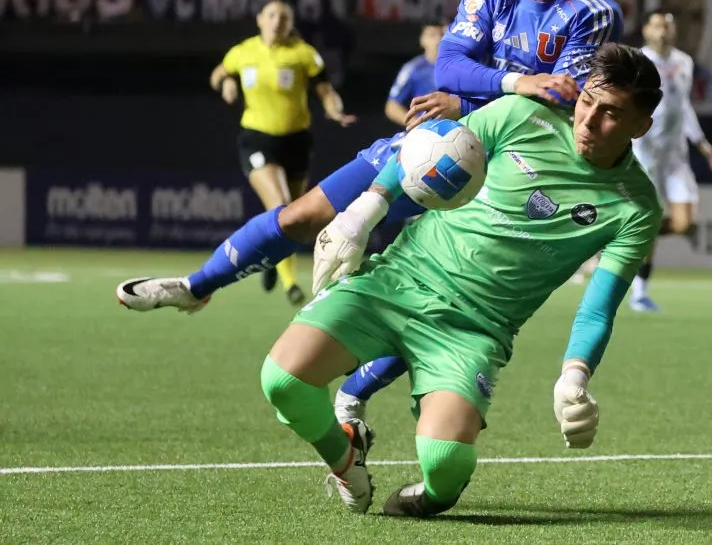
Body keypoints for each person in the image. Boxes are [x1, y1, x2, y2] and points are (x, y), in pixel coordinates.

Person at [116, 0, 623, 323]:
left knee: (441, 294)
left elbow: (554, 102)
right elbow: (448, 67)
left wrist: (471, 96)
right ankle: (196, 286)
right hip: (439, 146)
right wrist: (512, 81)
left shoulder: (591, 12)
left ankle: (357, 397)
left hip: (510, 168)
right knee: (300, 216)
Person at [263, 42, 663, 517]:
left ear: (642, 126)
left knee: (446, 464)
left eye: (612, 113)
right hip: (397, 280)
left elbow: (597, 306)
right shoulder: (518, 115)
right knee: (283, 379)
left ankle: (432, 497)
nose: (590, 121)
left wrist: (574, 378)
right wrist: (363, 214)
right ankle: (345, 458)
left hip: (475, 331)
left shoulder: (636, 207)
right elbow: (424, 151)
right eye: (588, 101)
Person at [210, 0, 354, 307]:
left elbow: (326, 92)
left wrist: (335, 110)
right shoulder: (243, 51)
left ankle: (270, 259)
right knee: (280, 205)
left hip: (296, 143)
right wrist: (226, 83)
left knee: (293, 219)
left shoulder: (302, 53)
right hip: (257, 139)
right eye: (272, 15)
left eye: (284, 17)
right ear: (260, 18)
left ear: (290, 23)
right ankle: (290, 283)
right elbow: (218, 72)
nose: (277, 21)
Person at [629, 10, 712, 312]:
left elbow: (684, 106)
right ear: (645, 30)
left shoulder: (684, 62)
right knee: (652, 218)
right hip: (645, 153)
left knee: (683, 223)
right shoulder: (636, 62)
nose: (663, 31)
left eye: (668, 25)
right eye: (657, 25)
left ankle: (628, 235)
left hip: (676, 154)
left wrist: (702, 142)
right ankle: (639, 293)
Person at [383, 22, 445, 127]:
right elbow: (392, 106)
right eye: (432, 35)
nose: (438, 40)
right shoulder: (412, 69)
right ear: (422, 40)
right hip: (427, 134)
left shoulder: (460, 66)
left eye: (442, 35)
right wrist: (417, 125)